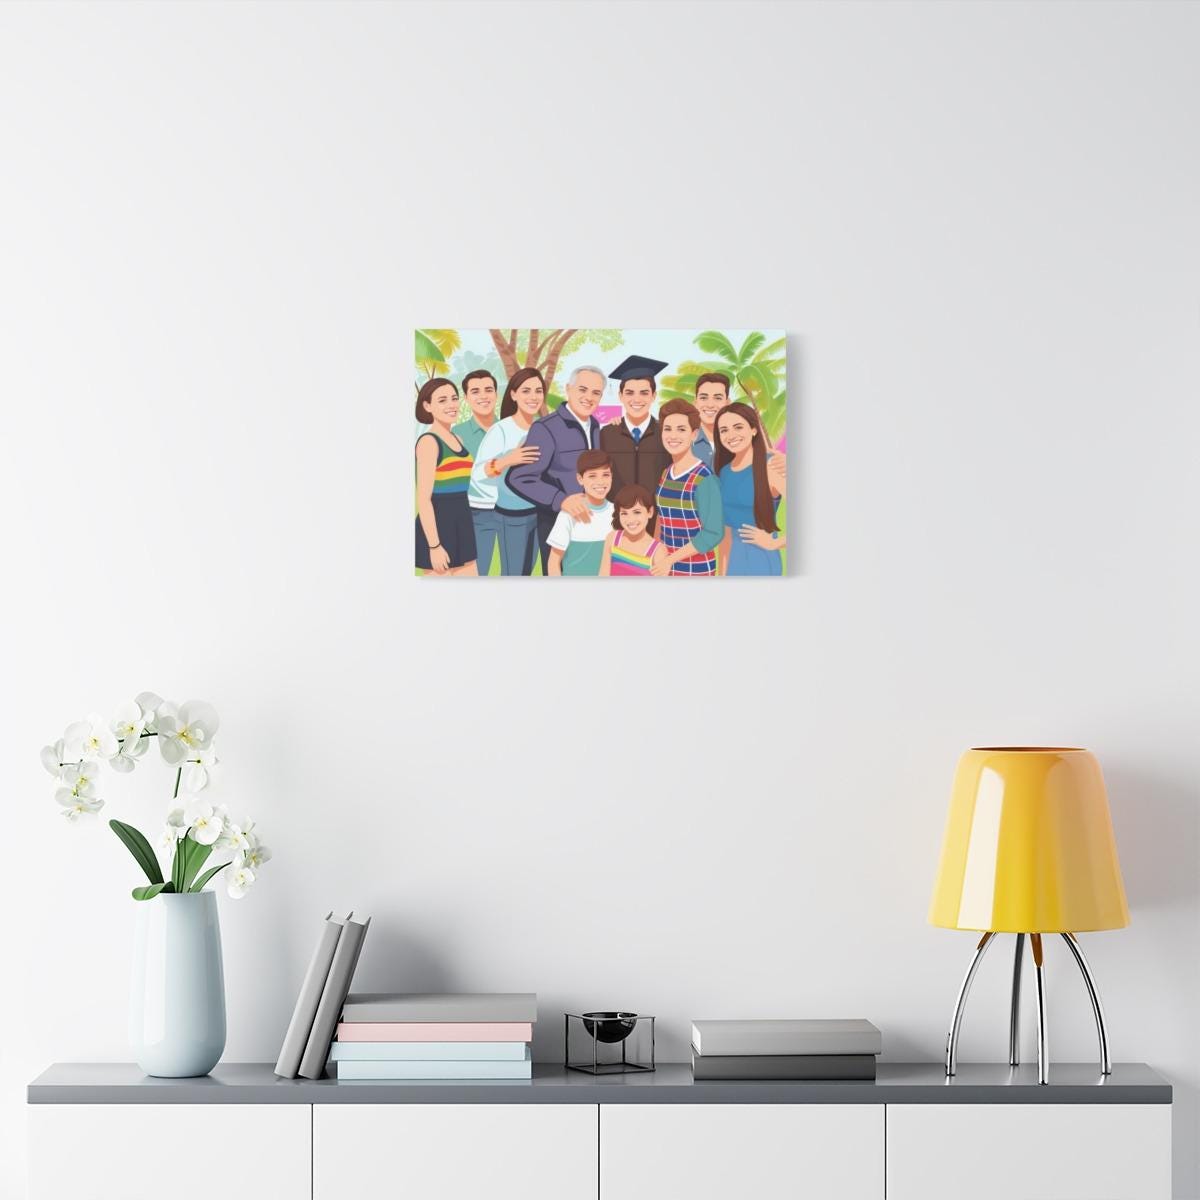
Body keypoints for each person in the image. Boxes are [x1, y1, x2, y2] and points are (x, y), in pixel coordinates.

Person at [509, 364, 606, 573]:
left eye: (596, 392)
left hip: (592, 527)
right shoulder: (545, 428)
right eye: (582, 389)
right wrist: (560, 499)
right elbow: (519, 477)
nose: (589, 397)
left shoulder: (597, 427)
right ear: (568, 389)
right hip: (557, 527)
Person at [468, 368, 544, 574]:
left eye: (538, 391)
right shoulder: (501, 430)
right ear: (513, 394)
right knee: (513, 574)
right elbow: (477, 475)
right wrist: (508, 460)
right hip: (512, 515)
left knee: (527, 571)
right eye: (526, 391)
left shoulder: (542, 428)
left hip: (539, 513)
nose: (533, 397)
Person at [651, 399, 724, 577]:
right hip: (664, 568)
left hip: (696, 568)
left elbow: (713, 533)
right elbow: (662, 518)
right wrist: (654, 552)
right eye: (667, 429)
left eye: (681, 429)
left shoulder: (705, 479)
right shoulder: (666, 473)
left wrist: (670, 559)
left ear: (694, 434)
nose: (673, 436)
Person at [714, 401, 786, 576]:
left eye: (738, 427)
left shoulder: (771, 466)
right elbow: (726, 532)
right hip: (733, 561)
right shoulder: (724, 471)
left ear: (754, 430)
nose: (731, 435)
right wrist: (722, 574)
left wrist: (774, 543)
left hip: (762, 560)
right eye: (724, 430)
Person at [414, 378, 477, 576]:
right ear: (427, 405)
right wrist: (434, 546)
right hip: (439, 525)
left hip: (463, 521)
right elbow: (424, 498)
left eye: (454, 398)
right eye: (442, 400)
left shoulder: (458, 439)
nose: (451, 405)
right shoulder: (429, 442)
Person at [599, 354, 670, 495]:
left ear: (653, 396)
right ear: (621, 396)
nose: (636, 399)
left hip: (656, 513)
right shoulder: (607, 434)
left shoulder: (665, 433)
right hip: (618, 512)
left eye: (644, 393)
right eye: (629, 393)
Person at [546, 450, 614, 576]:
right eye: (592, 476)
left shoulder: (618, 513)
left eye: (606, 475)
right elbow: (553, 563)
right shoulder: (568, 515)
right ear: (580, 479)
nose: (600, 481)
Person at [600, 483, 666, 577]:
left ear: (650, 512)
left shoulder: (658, 551)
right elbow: (602, 576)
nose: (630, 519)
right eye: (624, 513)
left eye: (637, 512)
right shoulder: (612, 538)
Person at [452, 369, 499, 460]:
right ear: (466, 397)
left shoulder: (509, 429)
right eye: (475, 392)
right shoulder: (457, 433)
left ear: (496, 394)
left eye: (488, 390)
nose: (483, 396)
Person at [692, 372, 730, 469]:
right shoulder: (683, 441)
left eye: (718, 398)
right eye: (704, 398)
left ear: (727, 403)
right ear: (695, 403)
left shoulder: (739, 442)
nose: (710, 405)